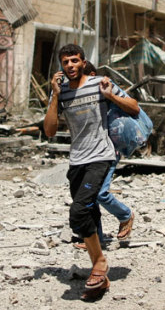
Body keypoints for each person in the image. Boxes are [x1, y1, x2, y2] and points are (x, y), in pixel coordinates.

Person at [43, 44, 139, 300]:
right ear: (61, 66)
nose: (71, 65)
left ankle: (99, 264)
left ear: (83, 62)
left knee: (78, 211)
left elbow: (135, 108)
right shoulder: (61, 92)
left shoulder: (100, 83)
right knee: (87, 215)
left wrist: (111, 96)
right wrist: (53, 95)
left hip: (101, 156)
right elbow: (50, 131)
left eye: (75, 61)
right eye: (66, 62)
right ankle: (100, 274)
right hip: (77, 161)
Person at [71, 62, 152, 250]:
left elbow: (134, 107)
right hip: (88, 149)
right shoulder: (78, 93)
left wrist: (110, 96)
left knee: (100, 193)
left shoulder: (106, 87)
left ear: (92, 75)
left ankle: (125, 215)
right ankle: (94, 238)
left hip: (108, 150)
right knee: (88, 195)